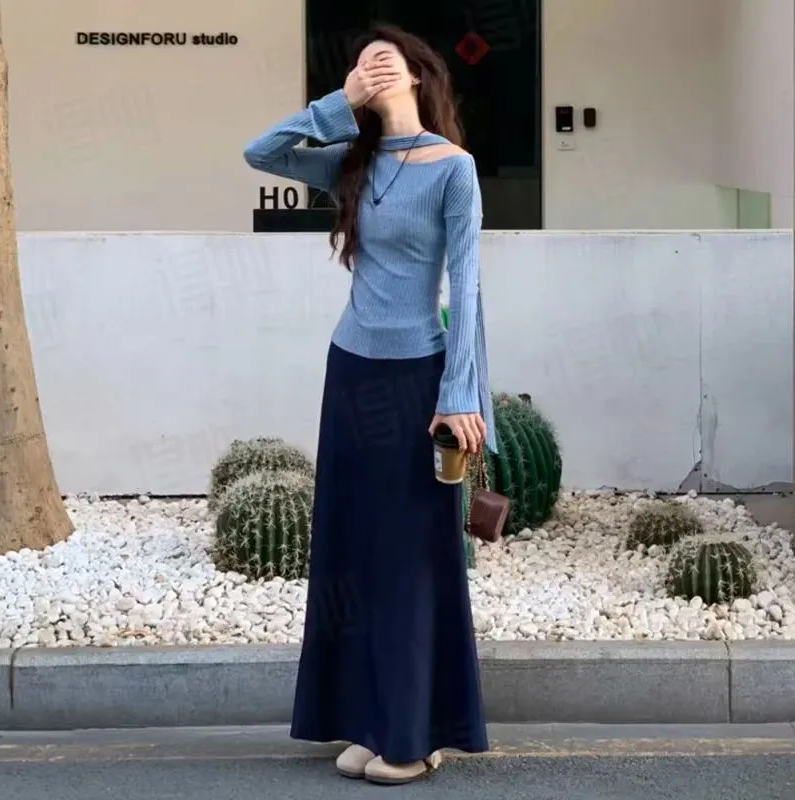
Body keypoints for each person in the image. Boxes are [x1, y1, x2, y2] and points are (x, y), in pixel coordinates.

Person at [243, 22, 497, 786]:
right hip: (351, 372)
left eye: (384, 59)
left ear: (419, 75)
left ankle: (414, 736)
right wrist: (337, 102)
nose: (371, 67)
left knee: (411, 558)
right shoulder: (352, 163)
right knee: (351, 551)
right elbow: (260, 152)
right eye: (360, 63)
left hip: (418, 380)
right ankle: (369, 720)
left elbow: (467, 285)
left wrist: (459, 393)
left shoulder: (454, 169)